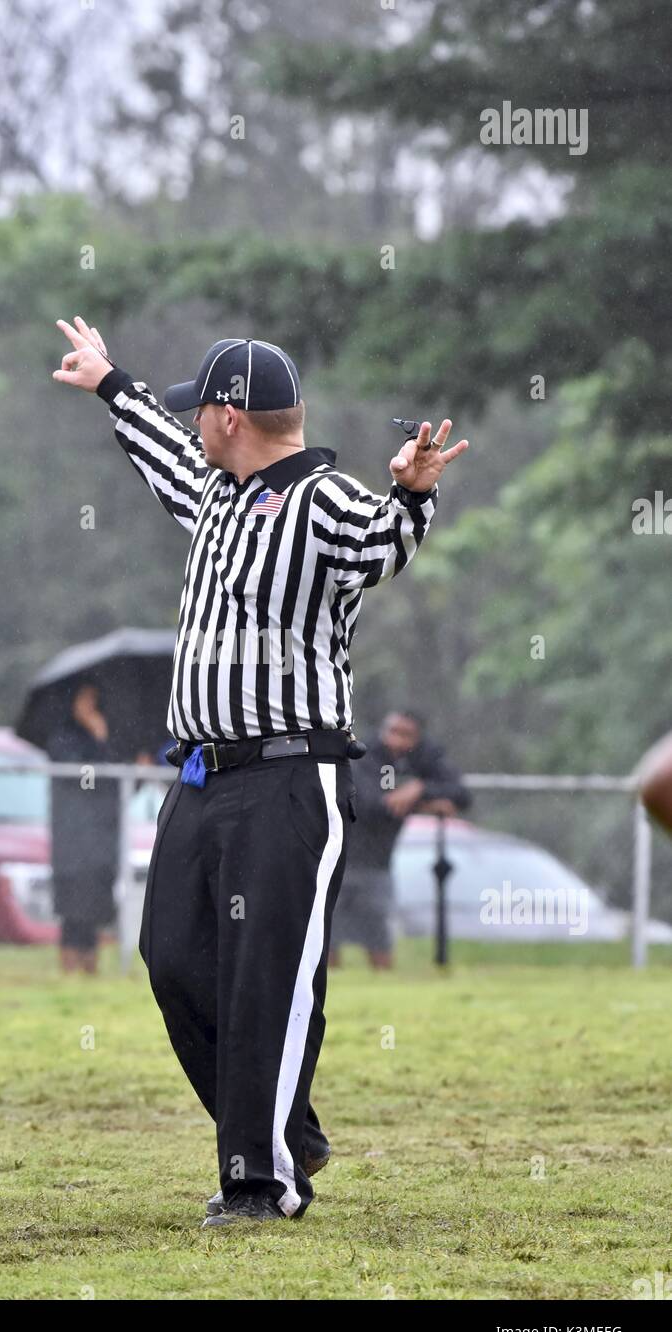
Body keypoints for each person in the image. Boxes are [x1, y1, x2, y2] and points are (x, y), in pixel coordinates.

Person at [53, 317, 469, 1227]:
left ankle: (261, 1180)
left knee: (266, 979)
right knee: (172, 959)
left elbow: (376, 547)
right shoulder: (214, 493)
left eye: (200, 409)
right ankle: (290, 1127)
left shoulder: (324, 499)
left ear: (231, 416)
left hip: (288, 780)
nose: (192, 424)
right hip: (200, 779)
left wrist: (410, 498)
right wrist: (112, 383)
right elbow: (160, 449)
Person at [331, 708, 472, 970]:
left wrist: (419, 788)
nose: (396, 740)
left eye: (405, 735)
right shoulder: (364, 752)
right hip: (339, 854)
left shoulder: (424, 756)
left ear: (416, 739)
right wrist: (426, 805)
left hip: (378, 862)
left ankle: (382, 985)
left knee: (378, 933)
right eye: (392, 731)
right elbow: (370, 806)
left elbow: (461, 794)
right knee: (329, 932)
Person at [46, 682, 117, 975]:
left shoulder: (108, 736)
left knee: (94, 902)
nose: (89, 706)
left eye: (93, 700)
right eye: (83, 699)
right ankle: (69, 967)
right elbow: (83, 778)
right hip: (72, 837)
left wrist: (101, 738)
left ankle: (91, 968)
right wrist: (97, 740)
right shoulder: (62, 739)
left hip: (101, 837)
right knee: (72, 905)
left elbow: (113, 783)